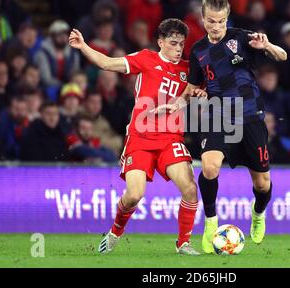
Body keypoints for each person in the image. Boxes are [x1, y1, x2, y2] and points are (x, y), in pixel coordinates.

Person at [158, 0, 287, 253]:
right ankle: (210, 221)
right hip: (219, 115)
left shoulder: (242, 37)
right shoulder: (198, 51)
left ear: (227, 19)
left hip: (250, 115)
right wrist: (176, 104)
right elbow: (191, 89)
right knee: (209, 167)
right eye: (210, 21)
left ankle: (259, 213)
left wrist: (268, 47)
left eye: (220, 22)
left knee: (262, 183)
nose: (215, 27)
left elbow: (283, 56)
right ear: (203, 20)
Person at [69, 18, 205, 256]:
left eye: (181, 44)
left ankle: (183, 243)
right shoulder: (146, 58)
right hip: (140, 138)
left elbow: (199, 94)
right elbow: (108, 64)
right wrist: (84, 47)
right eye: (173, 43)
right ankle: (115, 232)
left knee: (190, 189)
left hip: (171, 139)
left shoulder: (188, 70)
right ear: (160, 42)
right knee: (134, 195)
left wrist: (200, 96)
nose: (178, 48)